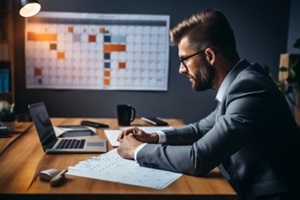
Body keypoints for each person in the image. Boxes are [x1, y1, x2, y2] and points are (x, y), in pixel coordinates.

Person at [117, 9, 300, 200]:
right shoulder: (240, 84)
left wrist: (136, 150)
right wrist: (153, 137)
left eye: (184, 60)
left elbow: (199, 158)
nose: (181, 70)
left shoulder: (249, 88)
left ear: (209, 56)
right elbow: (200, 129)